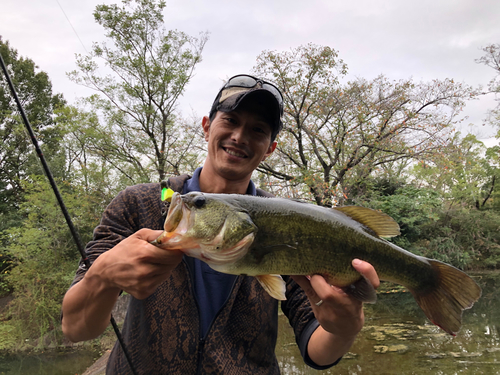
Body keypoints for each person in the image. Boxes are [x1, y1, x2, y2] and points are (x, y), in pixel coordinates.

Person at [61, 74, 380, 374]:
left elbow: (317, 350)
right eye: (230, 120)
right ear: (206, 126)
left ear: (270, 148)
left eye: (258, 130)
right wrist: (102, 276)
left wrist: (345, 329)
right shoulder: (138, 204)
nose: (239, 136)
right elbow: (76, 328)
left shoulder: (290, 222)